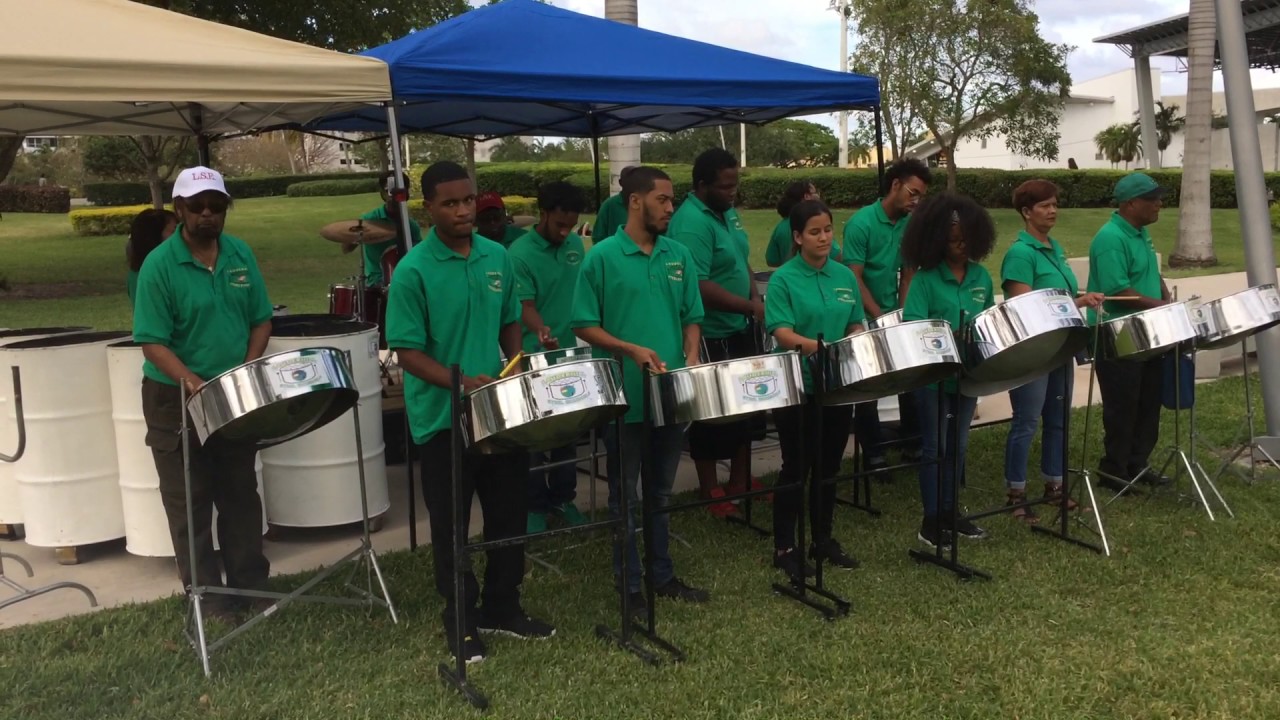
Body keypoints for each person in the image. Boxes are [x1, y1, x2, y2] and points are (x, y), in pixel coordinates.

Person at [386, 161, 554, 665]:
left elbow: (509, 323)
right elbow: (407, 352)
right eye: (450, 203)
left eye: (467, 201)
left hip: (498, 410)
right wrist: (460, 382)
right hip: (443, 419)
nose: (462, 211)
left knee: (508, 515)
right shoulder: (414, 270)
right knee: (452, 526)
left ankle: (504, 606)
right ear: (429, 208)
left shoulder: (496, 256)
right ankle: (460, 620)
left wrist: (511, 366)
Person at [132, 166, 272, 623]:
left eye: (217, 206)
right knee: (190, 500)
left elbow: (260, 318)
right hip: (174, 396)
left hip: (231, 391)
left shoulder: (240, 254)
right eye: (197, 207)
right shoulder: (159, 265)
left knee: (239, 494)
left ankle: (251, 587)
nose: (208, 214)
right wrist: (193, 381)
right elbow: (152, 339)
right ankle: (209, 599)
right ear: (180, 209)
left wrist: (248, 365)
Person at [571, 166, 711, 615]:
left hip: (669, 394)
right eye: (663, 200)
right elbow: (584, 323)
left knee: (660, 492)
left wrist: (690, 356)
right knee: (624, 496)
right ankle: (629, 586)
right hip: (624, 397)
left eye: (672, 201)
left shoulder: (678, 255)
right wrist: (629, 348)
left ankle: (662, 575)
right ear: (635, 201)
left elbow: (692, 313)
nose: (671, 208)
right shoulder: (602, 257)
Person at [764, 200, 865, 581]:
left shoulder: (844, 276)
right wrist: (818, 347)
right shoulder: (784, 279)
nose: (824, 238)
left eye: (827, 230)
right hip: (798, 386)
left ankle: (822, 538)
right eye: (814, 232)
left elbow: (855, 321)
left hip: (837, 385)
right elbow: (782, 331)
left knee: (829, 466)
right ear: (797, 237)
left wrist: (851, 341)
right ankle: (785, 547)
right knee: (796, 466)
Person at [999, 180, 1105, 523]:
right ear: (1026, 212)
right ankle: (1015, 493)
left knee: (1057, 420)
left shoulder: (1054, 247)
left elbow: (1059, 297)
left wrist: (1081, 300)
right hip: (1033, 352)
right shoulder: (1020, 253)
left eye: (1055, 204)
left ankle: (1054, 487)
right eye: (1044, 206)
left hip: (1060, 347)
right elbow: (1021, 308)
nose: (1053, 211)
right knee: (1026, 421)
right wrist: (1078, 302)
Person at [668, 148, 764, 519]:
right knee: (711, 413)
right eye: (725, 187)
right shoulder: (692, 222)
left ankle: (741, 480)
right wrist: (747, 306)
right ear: (701, 185)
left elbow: (742, 259)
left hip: (740, 324)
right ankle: (710, 488)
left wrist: (754, 295)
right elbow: (698, 283)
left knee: (746, 406)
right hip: (708, 330)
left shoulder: (727, 213)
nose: (732, 192)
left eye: (735, 185)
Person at [900, 192, 996, 549]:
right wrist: (946, 336)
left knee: (958, 445)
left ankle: (951, 512)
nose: (960, 247)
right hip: (933, 377)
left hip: (967, 375)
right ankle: (931, 521)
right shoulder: (925, 280)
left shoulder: (982, 276)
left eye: (966, 240)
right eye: (953, 241)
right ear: (937, 240)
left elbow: (988, 319)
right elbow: (914, 324)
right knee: (934, 447)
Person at [509, 181, 590, 533]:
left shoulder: (574, 244)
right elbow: (523, 305)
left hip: (572, 353)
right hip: (532, 354)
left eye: (571, 225)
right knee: (534, 436)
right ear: (543, 214)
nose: (566, 232)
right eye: (559, 224)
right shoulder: (519, 253)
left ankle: (563, 498)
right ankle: (533, 506)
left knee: (566, 433)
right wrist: (541, 329)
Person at [1085, 173, 1174, 493]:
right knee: (1123, 406)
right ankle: (1114, 470)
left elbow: (1151, 272)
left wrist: (1166, 298)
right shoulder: (1111, 238)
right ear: (1131, 203)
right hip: (1119, 335)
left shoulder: (1139, 233)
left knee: (1149, 402)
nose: (1159, 204)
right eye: (1152, 199)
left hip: (1147, 332)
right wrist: (1161, 307)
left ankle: (1138, 464)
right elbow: (1119, 290)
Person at [844, 159, 932, 475]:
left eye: (921, 196)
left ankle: (913, 443)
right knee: (870, 387)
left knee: (910, 379)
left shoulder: (909, 225)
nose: (916, 201)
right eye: (913, 192)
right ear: (895, 185)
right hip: (863, 314)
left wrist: (902, 319)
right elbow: (854, 277)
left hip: (893, 312)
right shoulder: (861, 224)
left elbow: (909, 274)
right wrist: (880, 317)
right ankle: (874, 455)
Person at [342, 170, 422, 286]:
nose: (393, 196)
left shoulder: (410, 225)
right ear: (382, 193)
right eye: (388, 191)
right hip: (377, 279)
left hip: (405, 278)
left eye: (398, 191)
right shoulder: (370, 220)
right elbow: (346, 248)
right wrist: (359, 235)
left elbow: (419, 255)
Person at [766, 181, 840, 268]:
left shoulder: (780, 227)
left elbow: (772, 260)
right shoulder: (817, 224)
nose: (818, 196)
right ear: (807, 196)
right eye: (815, 192)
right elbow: (837, 255)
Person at [126, 208, 177, 304]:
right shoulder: (153, 274)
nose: (180, 235)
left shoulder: (136, 272)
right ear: (155, 236)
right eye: (174, 230)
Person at [590, 166, 636, 241]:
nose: (633, 184)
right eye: (629, 180)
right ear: (620, 182)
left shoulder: (646, 204)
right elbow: (598, 236)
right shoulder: (609, 205)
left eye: (636, 180)